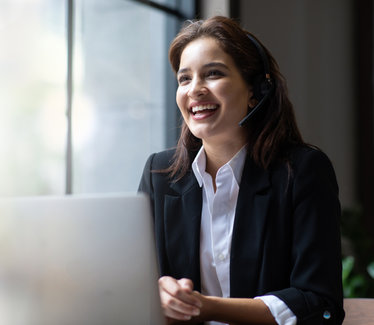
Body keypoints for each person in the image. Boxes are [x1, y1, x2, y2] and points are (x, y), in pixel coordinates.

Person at [138, 16, 344, 325]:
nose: (195, 89)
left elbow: (320, 303)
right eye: (184, 79)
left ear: (254, 91)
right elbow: (132, 282)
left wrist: (206, 307)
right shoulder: (160, 175)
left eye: (213, 74)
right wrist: (157, 292)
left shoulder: (302, 172)